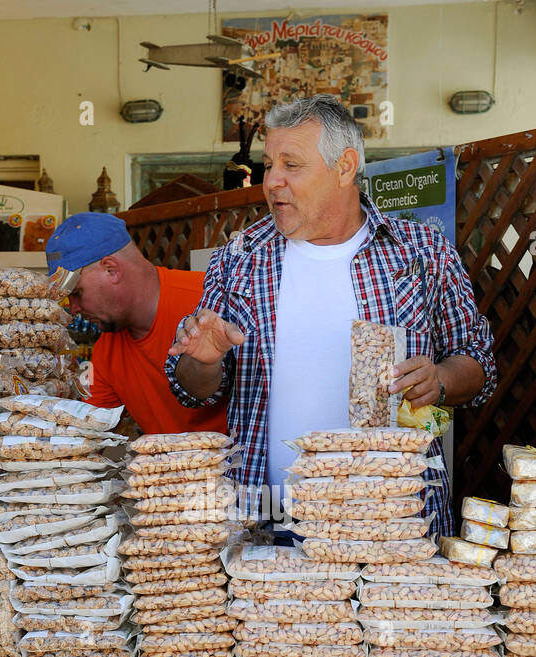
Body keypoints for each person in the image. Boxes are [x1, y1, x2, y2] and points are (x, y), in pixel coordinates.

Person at [164, 95, 496, 534]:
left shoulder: (421, 253)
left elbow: (479, 363)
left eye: (292, 165)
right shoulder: (239, 259)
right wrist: (202, 360)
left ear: (344, 167)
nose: (272, 182)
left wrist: (440, 379)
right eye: (269, 165)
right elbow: (193, 390)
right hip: (270, 519)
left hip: (393, 519)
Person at [46, 212, 228, 434]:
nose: (73, 309)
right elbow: (88, 434)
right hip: (163, 468)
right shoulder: (105, 352)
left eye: (77, 293)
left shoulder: (212, 299)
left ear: (111, 269)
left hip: (242, 466)